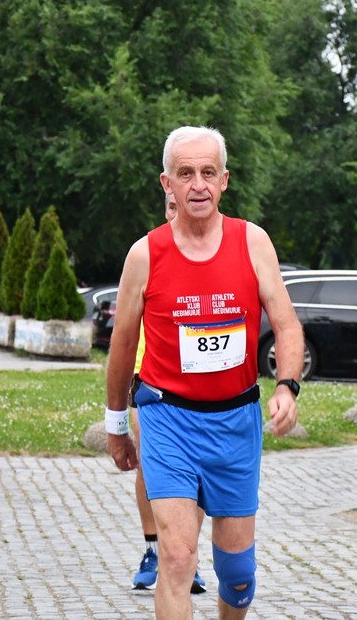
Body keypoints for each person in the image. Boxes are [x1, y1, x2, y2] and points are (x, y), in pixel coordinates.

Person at [106, 126, 304, 618]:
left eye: (208, 173)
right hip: (166, 418)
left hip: (236, 422)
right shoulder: (145, 254)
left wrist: (287, 386)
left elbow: (285, 323)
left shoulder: (252, 242)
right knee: (177, 556)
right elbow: (123, 344)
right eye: (186, 174)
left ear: (224, 181)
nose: (198, 184)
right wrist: (115, 425)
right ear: (166, 184)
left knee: (238, 577)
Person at [128, 194, 207, 594]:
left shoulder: (210, 255)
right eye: (172, 207)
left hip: (198, 383)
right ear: (166, 208)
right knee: (149, 462)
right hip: (150, 379)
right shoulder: (150, 254)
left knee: (196, 473)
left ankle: (184, 552)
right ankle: (152, 548)